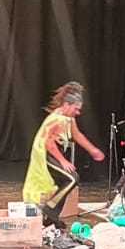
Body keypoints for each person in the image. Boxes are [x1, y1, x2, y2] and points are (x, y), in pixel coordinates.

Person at [23, 82, 104, 227]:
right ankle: (50, 209)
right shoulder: (57, 119)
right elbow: (49, 143)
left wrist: (93, 150)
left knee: (65, 182)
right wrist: (63, 161)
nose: (78, 113)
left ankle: (51, 217)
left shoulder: (68, 118)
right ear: (66, 105)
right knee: (72, 179)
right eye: (76, 109)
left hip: (53, 153)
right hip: (45, 155)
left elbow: (77, 135)